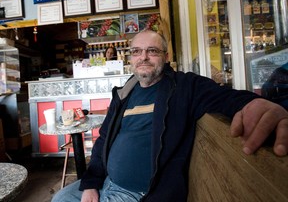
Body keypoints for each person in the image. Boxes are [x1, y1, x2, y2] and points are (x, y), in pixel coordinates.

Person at [52, 30, 288, 202]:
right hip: (105, 182)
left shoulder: (185, 87)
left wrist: (259, 104)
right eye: (137, 51)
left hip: (138, 193)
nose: (143, 57)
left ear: (165, 55)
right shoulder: (125, 92)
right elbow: (104, 138)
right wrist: (92, 183)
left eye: (152, 51)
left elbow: (227, 98)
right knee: (60, 199)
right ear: (131, 58)